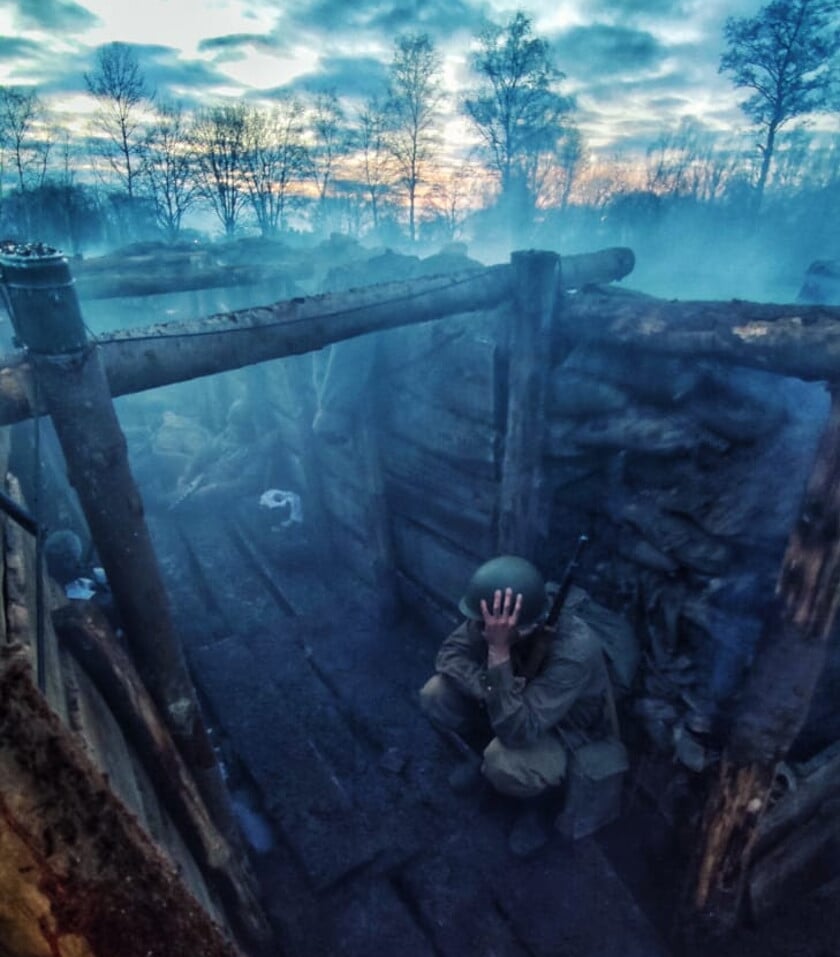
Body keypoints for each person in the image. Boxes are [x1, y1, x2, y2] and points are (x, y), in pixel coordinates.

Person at [419, 555, 612, 856]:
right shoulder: (494, 618)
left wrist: (498, 652)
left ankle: (535, 807)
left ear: (519, 627)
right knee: (435, 694)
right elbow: (449, 656)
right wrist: (493, 688)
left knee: (504, 760)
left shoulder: (575, 651)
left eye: (491, 628)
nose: (482, 629)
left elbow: (518, 731)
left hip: (559, 731)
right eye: (483, 624)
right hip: (511, 707)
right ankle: (482, 762)